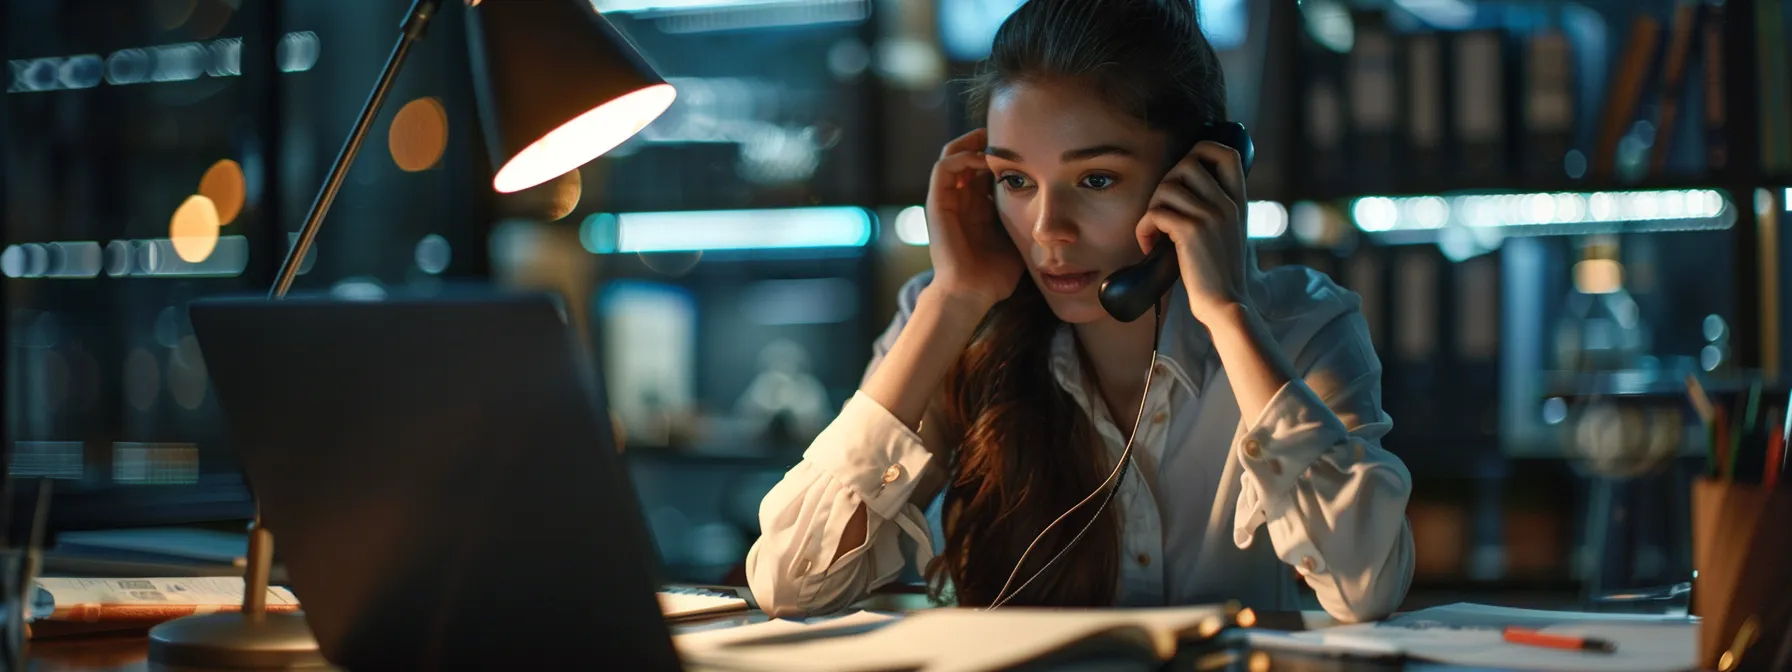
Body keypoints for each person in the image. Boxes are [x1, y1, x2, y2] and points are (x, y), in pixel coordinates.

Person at [746, 0, 1413, 622]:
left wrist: (1227, 311)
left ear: (1198, 175)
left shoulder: (1298, 326)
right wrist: (951, 301)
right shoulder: (951, 318)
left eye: (1096, 179)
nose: (1047, 230)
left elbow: (1365, 586)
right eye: (1015, 181)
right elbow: (792, 585)